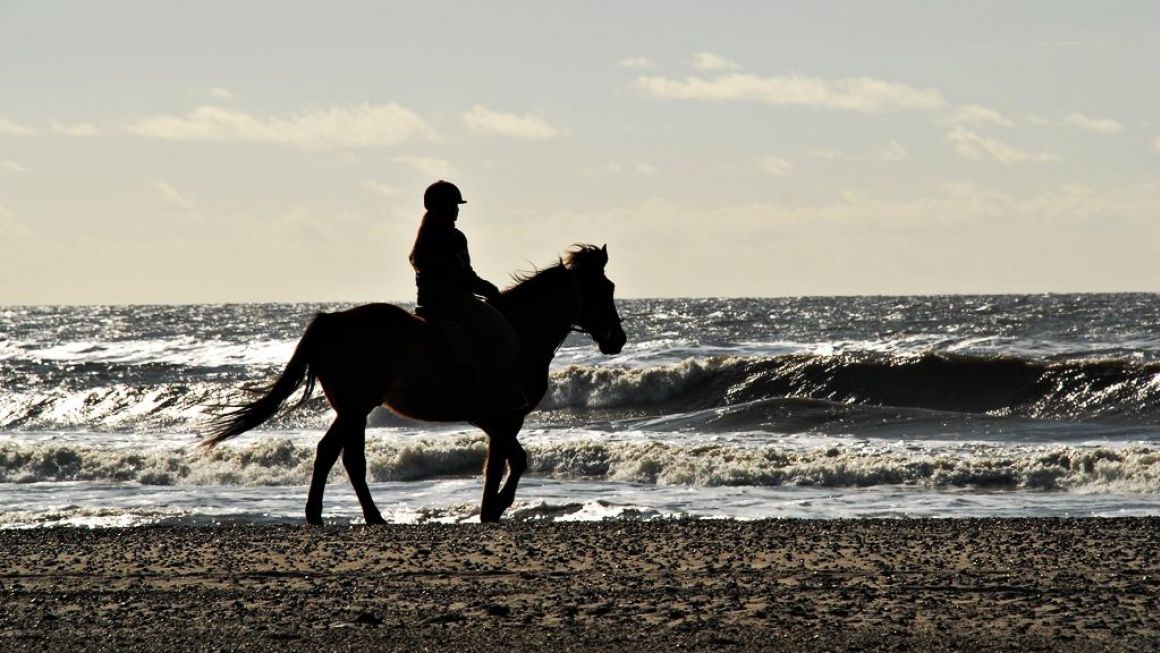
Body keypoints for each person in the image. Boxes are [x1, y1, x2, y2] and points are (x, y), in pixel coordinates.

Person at [409, 180, 526, 413]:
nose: (458, 209)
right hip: (453, 303)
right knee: (502, 335)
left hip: (427, 304)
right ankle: (501, 393)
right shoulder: (453, 237)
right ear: (445, 206)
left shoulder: (425, 236)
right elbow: (465, 276)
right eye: (454, 204)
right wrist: (490, 290)